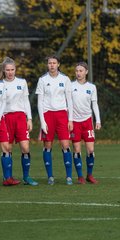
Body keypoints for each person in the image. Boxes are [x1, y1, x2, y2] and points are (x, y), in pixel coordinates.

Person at [35, 55, 74, 185]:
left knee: (65, 145)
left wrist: (70, 119)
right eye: (49, 63)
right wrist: (42, 121)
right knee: (48, 145)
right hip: (47, 115)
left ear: (58, 64)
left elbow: (70, 100)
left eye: (54, 63)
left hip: (62, 115)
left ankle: (69, 176)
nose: (52, 65)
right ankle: (50, 176)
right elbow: (39, 103)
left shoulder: (65, 79)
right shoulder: (42, 80)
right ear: (47, 65)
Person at [2, 57, 38, 186]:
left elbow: (25, 101)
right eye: (7, 70)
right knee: (7, 148)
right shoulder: (0, 84)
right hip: (6, 118)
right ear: (4, 71)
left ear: (15, 70)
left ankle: (26, 177)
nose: (10, 72)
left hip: (20, 117)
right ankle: (8, 178)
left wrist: (29, 118)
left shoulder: (22, 82)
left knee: (25, 147)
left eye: (12, 69)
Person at [71, 62, 101, 184]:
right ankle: (80, 176)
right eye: (77, 71)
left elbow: (94, 104)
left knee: (90, 150)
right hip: (74, 122)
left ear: (86, 72)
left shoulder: (91, 87)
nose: (78, 73)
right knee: (77, 149)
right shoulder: (71, 86)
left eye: (81, 71)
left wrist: (98, 120)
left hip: (87, 122)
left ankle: (89, 175)